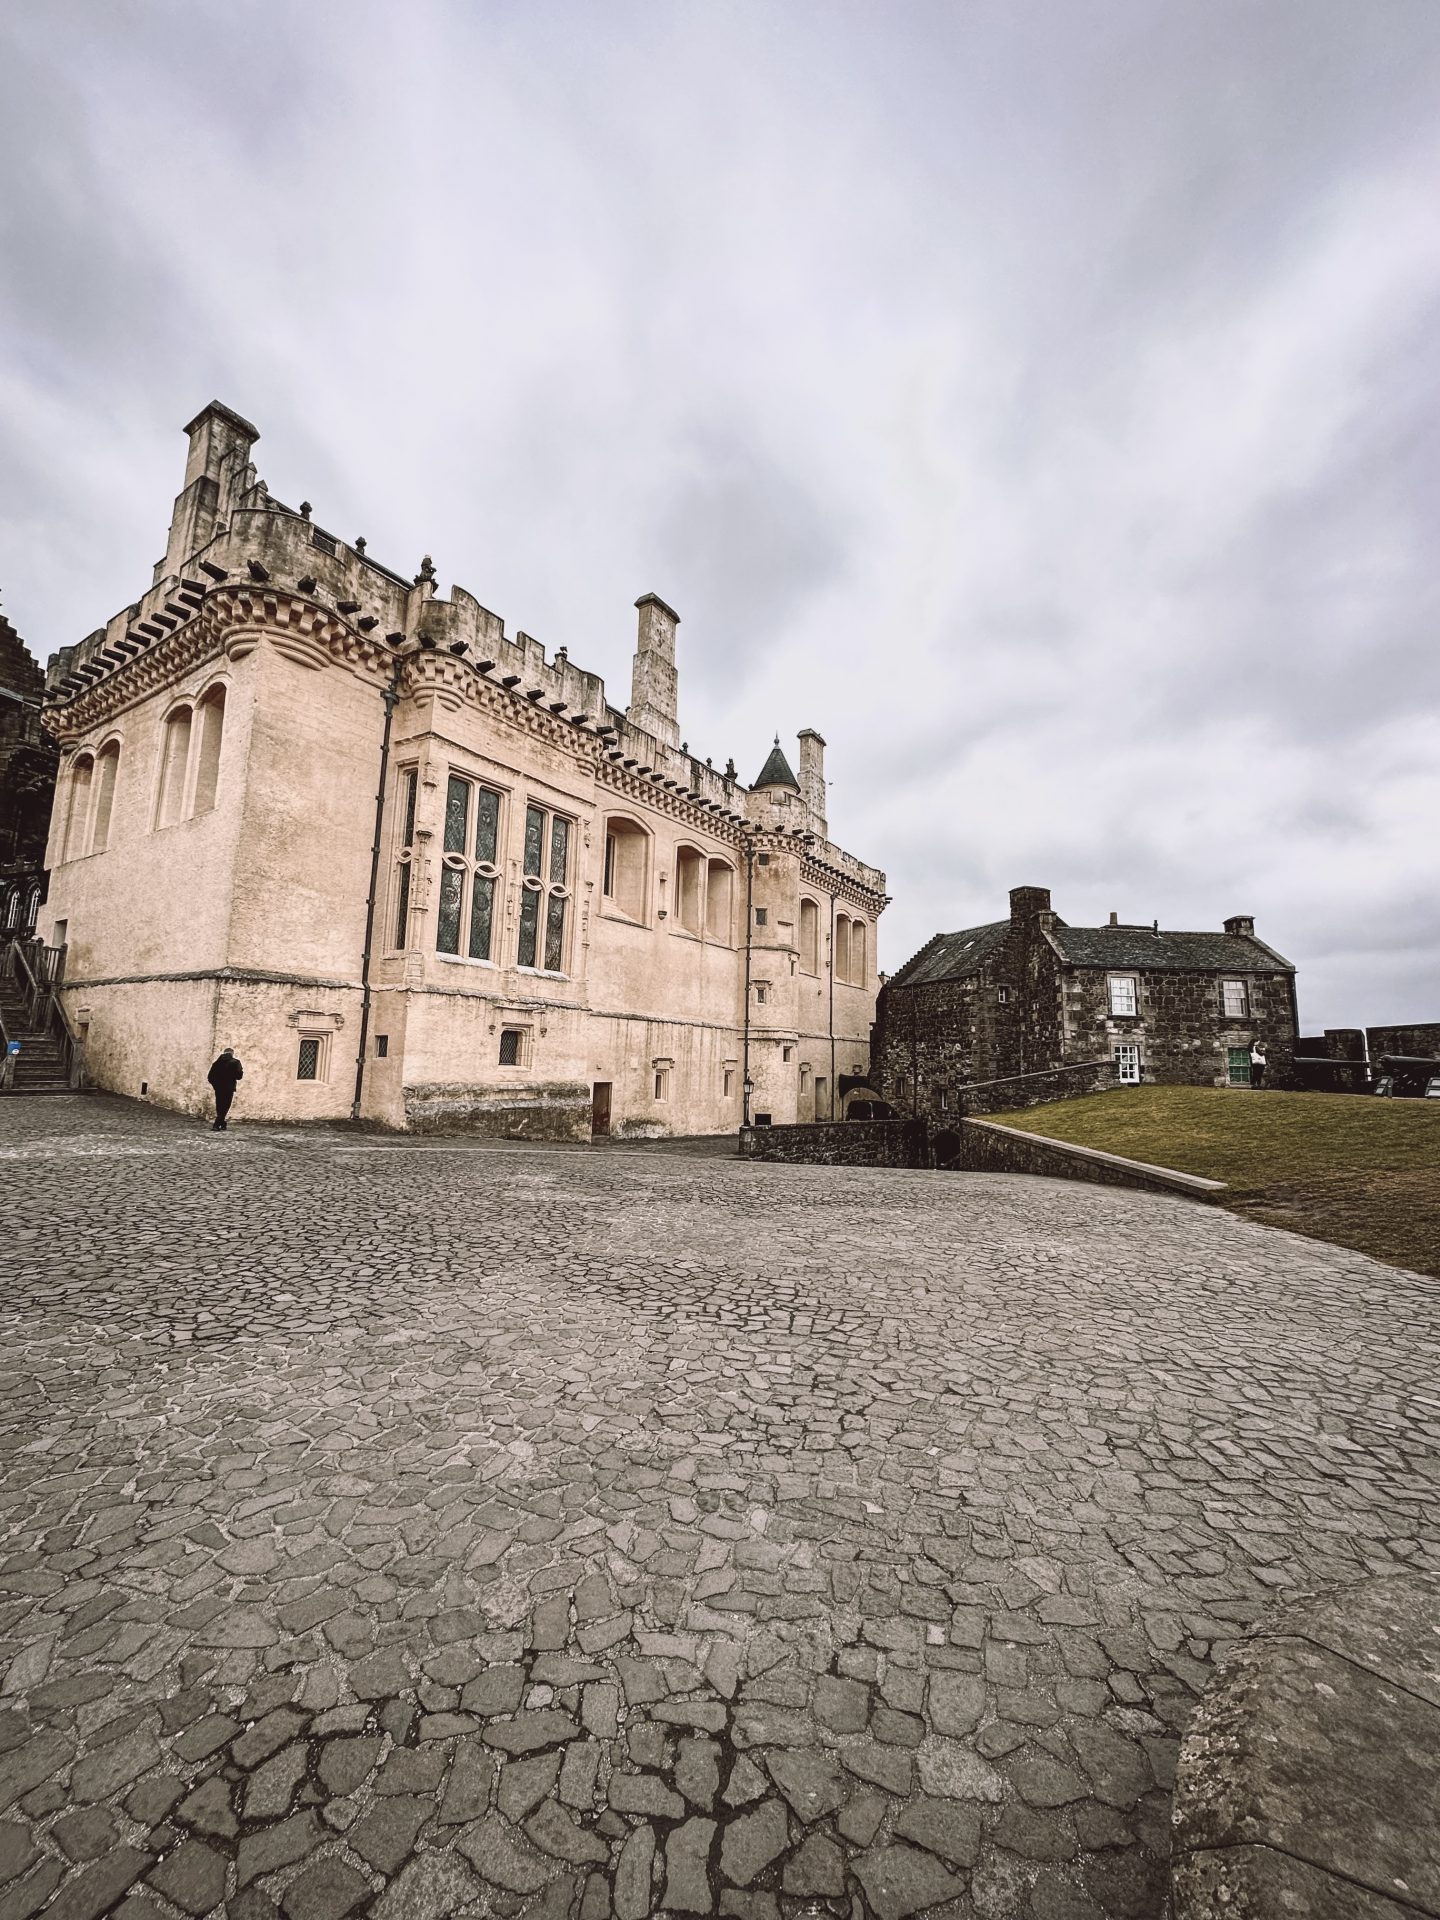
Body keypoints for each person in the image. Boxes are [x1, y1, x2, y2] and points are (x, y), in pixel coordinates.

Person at [207, 1047, 243, 1129]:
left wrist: (215, 1086)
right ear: (232, 1054)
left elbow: (210, 1077)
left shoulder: (216, 1063)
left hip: (218, 1088)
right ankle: (216, 1124)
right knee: (226, 1106)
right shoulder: (236, 1062)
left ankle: (222, 1123)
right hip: (229, 1088)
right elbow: (239, 1076)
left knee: (219, 1105)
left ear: (224, 1053)